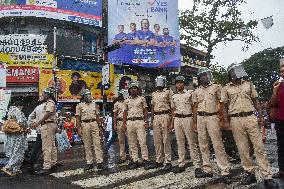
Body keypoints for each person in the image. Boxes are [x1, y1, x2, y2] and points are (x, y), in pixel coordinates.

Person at [221, 63, 278, 188]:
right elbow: (224, 105)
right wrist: (225, 121)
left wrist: (261, 116)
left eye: (238, 70)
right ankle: (249, 173)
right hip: (235, 120)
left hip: (251, 117)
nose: (236, 73)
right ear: (230, 73)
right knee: (243, 149)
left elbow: (256, 100)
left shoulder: (249, 84)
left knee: (259, 148)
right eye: (234, 71)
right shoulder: (226, 89)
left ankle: (267, 176)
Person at [192, 68, 232, 184]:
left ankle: (225, 172)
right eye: (203, 75)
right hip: (200, 118)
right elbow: (194, 107)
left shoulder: (216, 87)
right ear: (199, 78)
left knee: (217, 144)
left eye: (207, 75)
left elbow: (222, 103)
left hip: (212, 117)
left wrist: (223, 119)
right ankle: (207, 169)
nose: (206, 77)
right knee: (203, 144)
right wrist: (194, 122)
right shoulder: (196, 91)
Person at [171, 76, 202, 175]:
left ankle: (197, 165)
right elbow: (173, 110)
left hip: (188, 118)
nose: (179, 84)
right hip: (177, 119)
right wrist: (172, 122)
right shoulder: (174, 96)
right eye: (177, 83)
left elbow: (194, 108)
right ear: (175, 85)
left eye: (181, 82)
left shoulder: (190, 93)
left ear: (184, 84)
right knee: (180, 142)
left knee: (191, 142)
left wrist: (194, 122)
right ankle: (181, 164)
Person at [123, 82, 154, 170]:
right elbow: (125, 112)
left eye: (135, 88)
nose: (133, 89)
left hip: (140, 122)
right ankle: (135, 160)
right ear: (129, 90)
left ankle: (145, 160)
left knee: (142, 142)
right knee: (132, 143)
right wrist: (124, 124)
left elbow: (145, 110)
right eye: (132, 88)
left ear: (138, 90)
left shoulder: (142, 99)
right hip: (130, 122)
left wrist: (146, 122)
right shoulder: (126, 100)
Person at [31, 87, 59, 175]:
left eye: (44, 94)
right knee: (52, 146)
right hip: (50, 125)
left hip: (47, 125)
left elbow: (49, 113)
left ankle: (47, 167)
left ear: (48, 95)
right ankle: (53, 163)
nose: (43, 95)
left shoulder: (50, 102)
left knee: (46, 147)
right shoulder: (49, 102)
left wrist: (39, 122)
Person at [76, 89, 104, 171]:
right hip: (84, 124)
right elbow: (77, 118)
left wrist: (100, 127)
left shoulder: (95, 104)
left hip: (94, 123)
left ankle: (100, 162)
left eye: (89, 94)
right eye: (87, 95)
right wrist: (78, 129)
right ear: (83, 96)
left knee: (97, 143)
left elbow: (98, 116)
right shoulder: (79, 105)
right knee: (87, 144)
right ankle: (89, 163)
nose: (89, 96)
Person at [150, 76, 173, 171]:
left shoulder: (168, 92)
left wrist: (171, 121)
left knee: (166, 139)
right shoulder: (153, 94)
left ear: (164, 82)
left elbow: (172, 107)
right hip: (156, 117)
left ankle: (168, 161)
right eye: (158, 81)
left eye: (161, 81)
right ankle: (159, 160)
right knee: (157, 140)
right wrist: (151, 120)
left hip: (165, 115)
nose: (159, 83)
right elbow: (152, 107)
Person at [1, 101, 28, 176]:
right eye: (22, 106)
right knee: (18, 152)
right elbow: (21, 122)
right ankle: (8, 167)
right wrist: (26, 128)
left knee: (13, 152)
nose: (22, 108)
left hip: (10, 135)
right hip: (17, 136)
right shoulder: (17, 111)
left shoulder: (9, 111)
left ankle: (15, 169)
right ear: (19, 106)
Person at [270, 61, 284, 178]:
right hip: (280, 120)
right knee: (281, 145)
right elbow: (273, 103)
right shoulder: (278, 86)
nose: (282, 73)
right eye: (281, 71)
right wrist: (274, 90)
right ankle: (282, 170)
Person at [27, 101, 45, 173]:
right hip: (45, 130)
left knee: (37, 148)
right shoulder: (48, 106)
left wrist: (31, 125)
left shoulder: (37, 107)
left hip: (39, 130)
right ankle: (32, 165)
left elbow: (30, 117)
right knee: (41, 148)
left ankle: (32, 164)